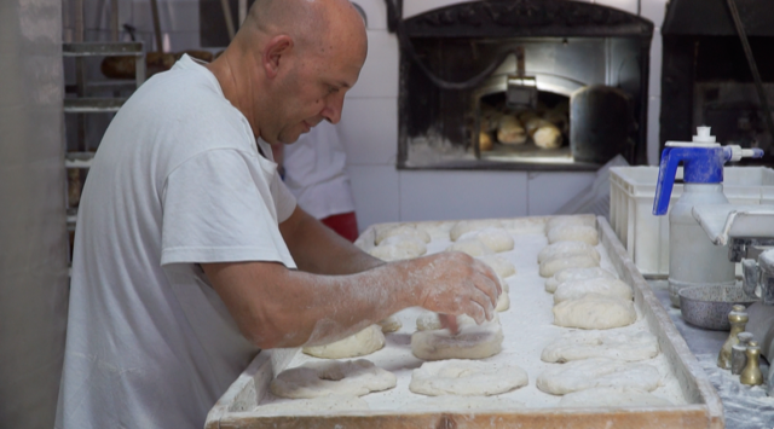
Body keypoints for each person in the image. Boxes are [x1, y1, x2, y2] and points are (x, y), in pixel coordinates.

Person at [55, 0, 501, 428]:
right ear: (277, 55)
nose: (335, 113)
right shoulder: (208, 140)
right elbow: (267, 313)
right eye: (330, 88)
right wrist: (407, 284)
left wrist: (403, 281)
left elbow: (298, 233)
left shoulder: (198, 103)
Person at [279, 120, 360, 242]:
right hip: (341, 198)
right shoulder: (331, 104)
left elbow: (275, 152)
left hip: (306, 202)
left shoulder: (284, 108)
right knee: (352, 259)